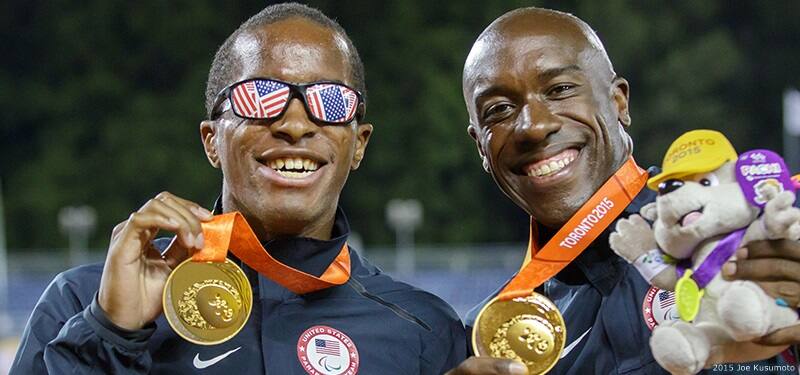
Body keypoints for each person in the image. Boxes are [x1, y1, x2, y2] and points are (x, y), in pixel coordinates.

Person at [11, 3, 465, 374]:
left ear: (359, 144)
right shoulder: (82, 301)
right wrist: (111, 334)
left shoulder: (424, 330)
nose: (293, 125)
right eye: (260, 96)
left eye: (330, 102)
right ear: (212, 139)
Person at [448, 7, 800, 374]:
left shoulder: (759, 233)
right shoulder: (490, 340)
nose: (533, 127)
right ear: (481, 148)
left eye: (560, 89)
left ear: (619, 101)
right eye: (499, 109)